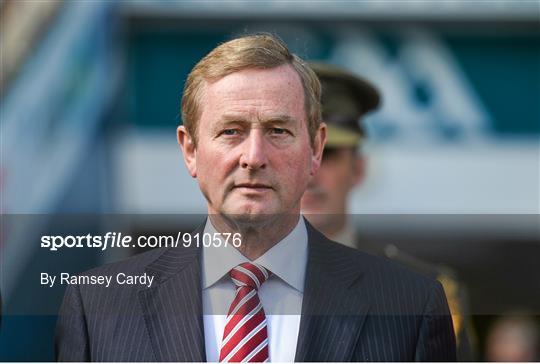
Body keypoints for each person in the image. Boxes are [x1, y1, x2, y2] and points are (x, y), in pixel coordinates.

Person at [55, 34, 456, 362]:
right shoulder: (99, 307)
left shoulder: (409, 307)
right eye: (230, 131)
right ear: (190, 150)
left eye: (278, 131)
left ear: (315, 149)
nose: (254, 157)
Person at [301, 62, 476, 361]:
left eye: (327, 154)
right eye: (301, 153)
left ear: (358, 169)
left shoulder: (421, 292)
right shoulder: (243, 281)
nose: (311, 172)